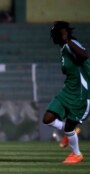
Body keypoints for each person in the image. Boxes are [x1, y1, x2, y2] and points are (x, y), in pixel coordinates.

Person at [43, 21, 90, 164]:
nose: (54, 37)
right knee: (48, 118)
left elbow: (84, 55)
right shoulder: (63, 48)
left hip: (80, 93)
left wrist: (68, 40)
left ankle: (76, 154)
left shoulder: (72, 44)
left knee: (70, 126)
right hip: (67, 90)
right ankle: (70, 132)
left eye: (56, 34)